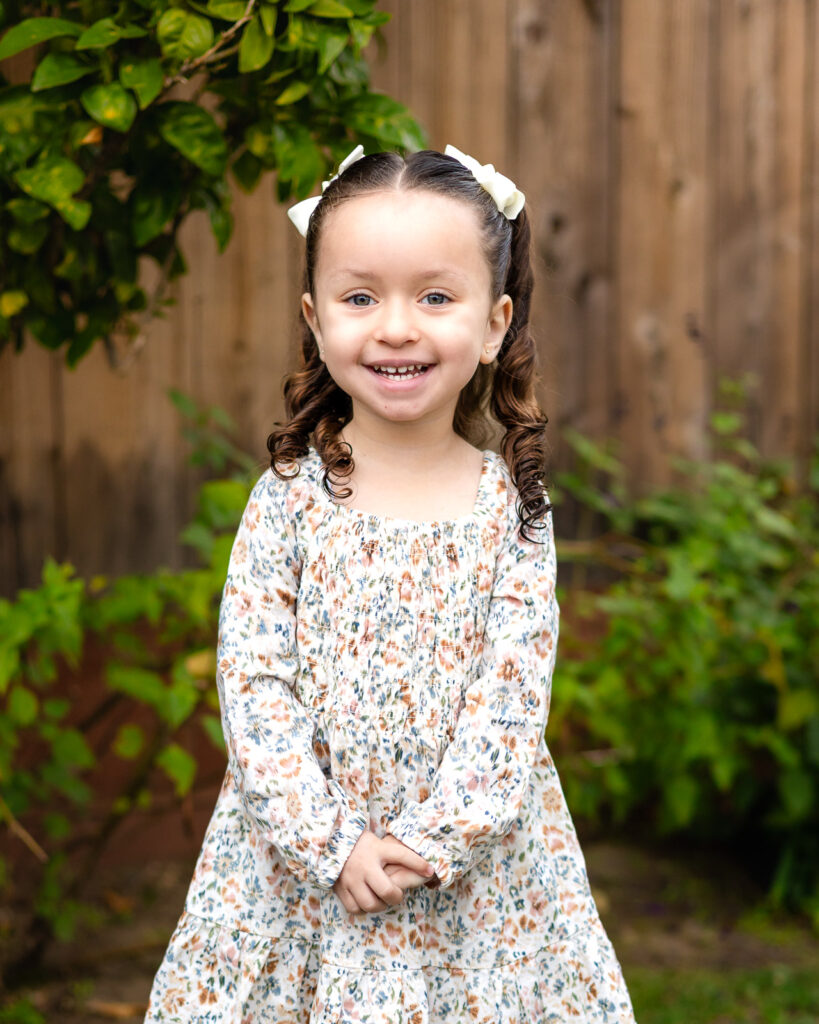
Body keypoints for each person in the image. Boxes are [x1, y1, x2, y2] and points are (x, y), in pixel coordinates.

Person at [144, 145, 637, 1023]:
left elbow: (511, 699)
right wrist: (330, 845)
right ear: (315, 317)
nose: (397, 327)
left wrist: (427, 840)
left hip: (474, 878)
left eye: (435, 296)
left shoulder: (512, 509)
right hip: (298, 871)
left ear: (494, 322)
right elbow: (253, 687)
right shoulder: (289, 499)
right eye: (360, 296)